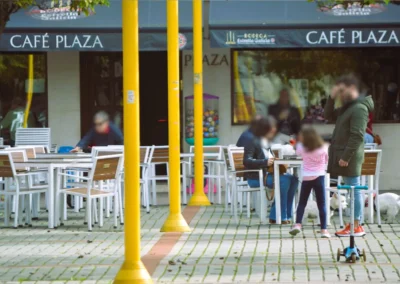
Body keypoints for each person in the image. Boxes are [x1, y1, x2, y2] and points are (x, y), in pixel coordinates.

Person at [325, 74, 374, 237]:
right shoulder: (349, 107)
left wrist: (346, 157)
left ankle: (356, 225)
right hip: (342, 154)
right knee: (353, 189)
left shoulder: (359, 108)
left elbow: (357, 136)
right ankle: (353, 224)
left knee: (354, 189)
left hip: (350, 157)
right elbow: (328, 116)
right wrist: (331, 98)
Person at [243, 116, 298, 224]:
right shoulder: (252, 141)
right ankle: (280, 216)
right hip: (256, 177)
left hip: (269, 175)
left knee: (294, 179)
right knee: (285, 180)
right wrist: (264, 162)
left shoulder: (266, 142)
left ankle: (279, 215)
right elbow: (246, 161)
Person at [289, 127, 330, 238]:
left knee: (302, 202)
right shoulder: (324, 147)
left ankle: (297, 224)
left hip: (307, 177)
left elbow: (297, 153)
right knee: (321, 204)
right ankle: (324, 230)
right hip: (319, 176)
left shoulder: (302, 147)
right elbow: (326, 160)